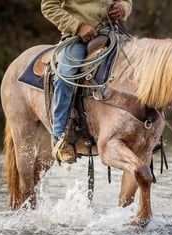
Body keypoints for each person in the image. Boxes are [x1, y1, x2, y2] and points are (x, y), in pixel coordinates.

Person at [41, 0, 133, 163]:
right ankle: (60, 138)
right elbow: (48, 6)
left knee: (138, 68)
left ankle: (143, 132)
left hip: (112, 33)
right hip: (77, 37)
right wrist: (77, 26)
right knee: (65, 77)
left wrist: (123, 9)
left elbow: (126, 1)